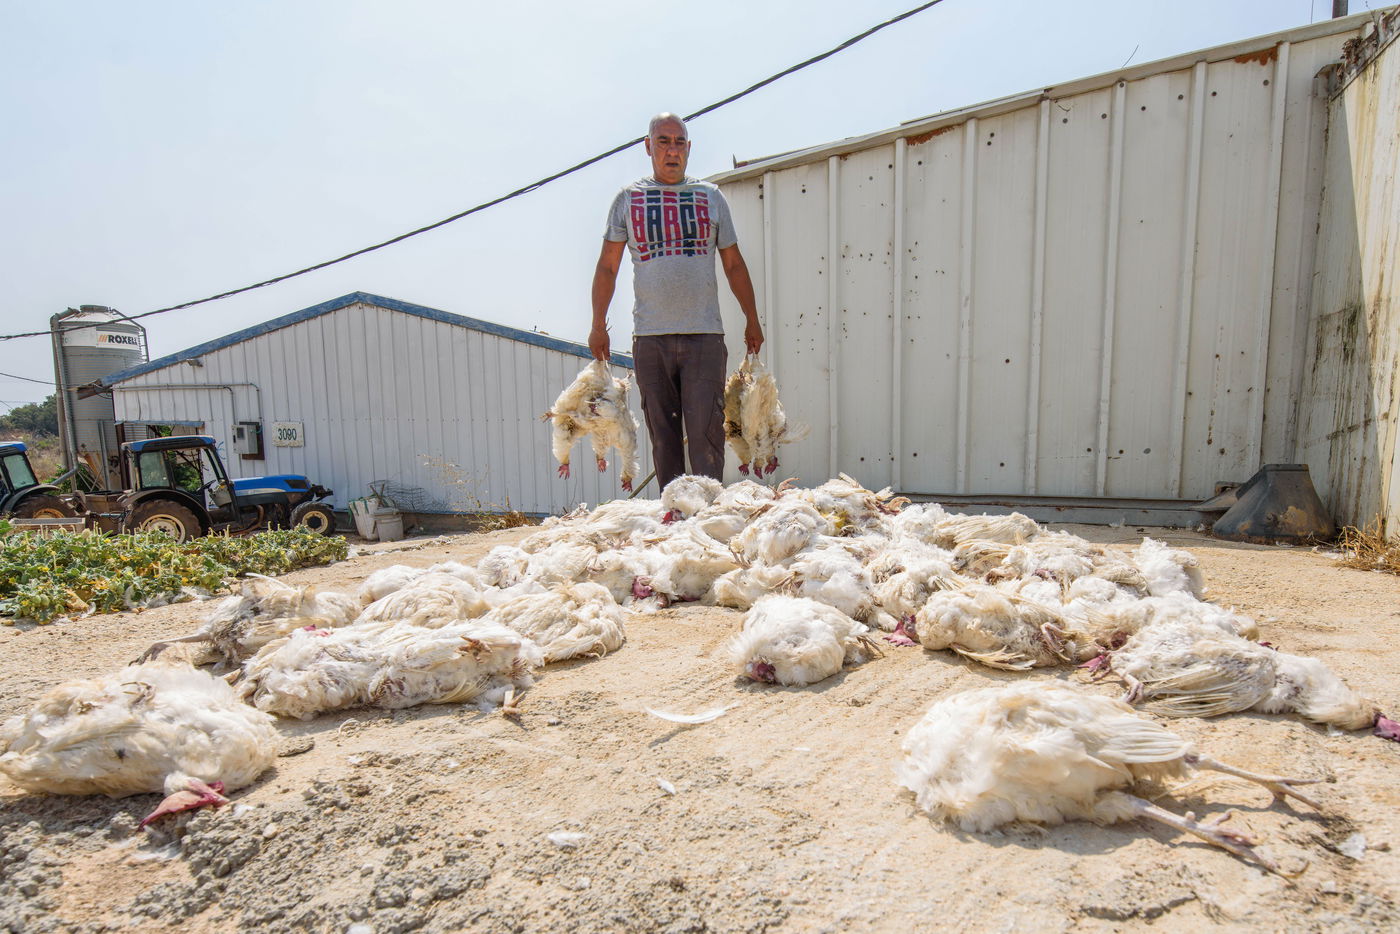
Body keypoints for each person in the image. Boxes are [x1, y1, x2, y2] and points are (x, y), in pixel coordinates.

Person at [589, 112, 764, 493]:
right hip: (651, 338)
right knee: (663, 438)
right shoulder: (628, 199)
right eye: (664, 141)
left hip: (704, 336)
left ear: (688, 148)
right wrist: (598, 323)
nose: (672, 150)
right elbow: (607, 267)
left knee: (706, 437)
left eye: (679, 142)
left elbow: (733, 263)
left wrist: (752, 318)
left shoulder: (710, 197)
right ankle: (673, 520)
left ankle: (708, 517)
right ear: (648, 147)